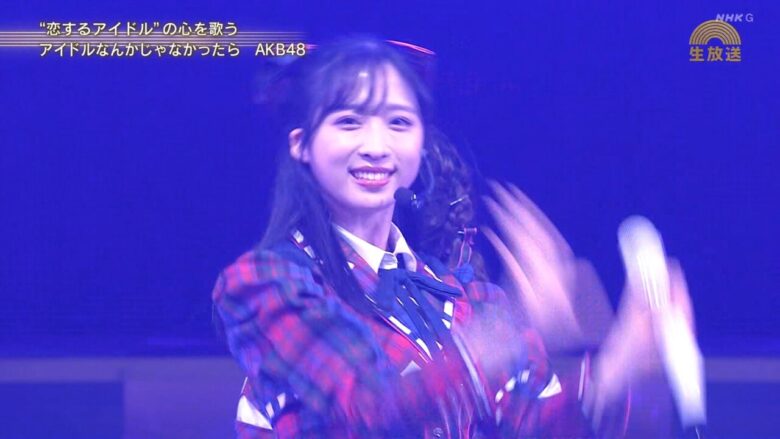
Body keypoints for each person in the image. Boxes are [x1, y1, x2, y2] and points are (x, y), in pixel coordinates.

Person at [212, 36, 695, 438]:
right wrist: (510, 329)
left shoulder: (469, 299)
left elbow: (534, 429)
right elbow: (366, 414)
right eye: (349, 122)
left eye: (399, 122)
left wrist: (617, 367)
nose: (376, 145)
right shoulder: (265, 284)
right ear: (302, 145)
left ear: (421, 143)